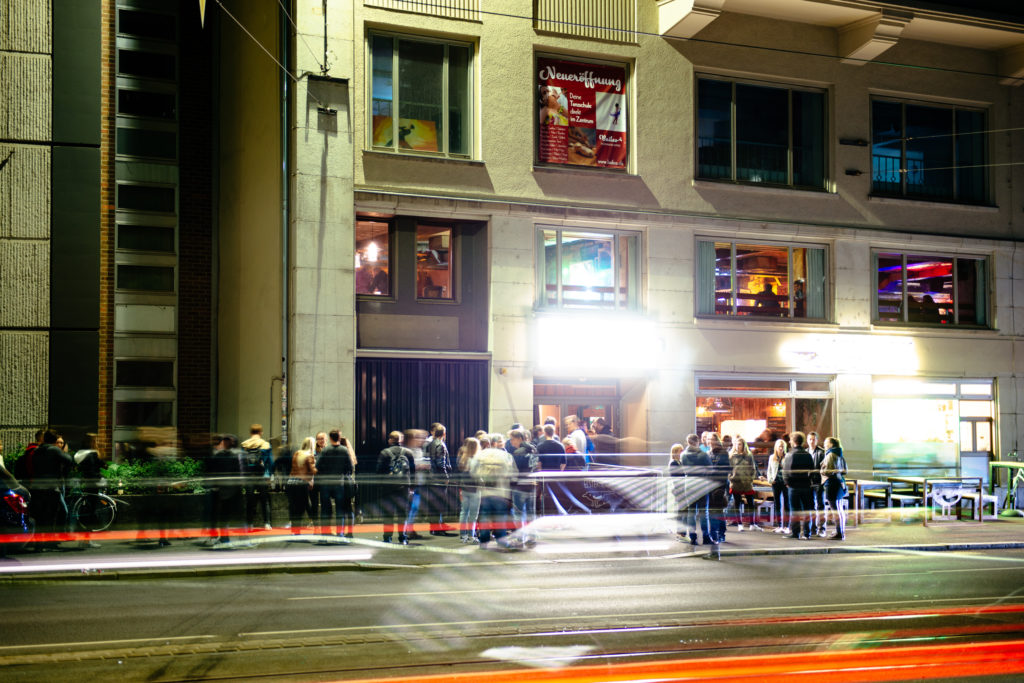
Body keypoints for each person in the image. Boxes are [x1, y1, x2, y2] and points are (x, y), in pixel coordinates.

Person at [22, 429, 73, 549]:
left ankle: (38, 543)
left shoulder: (36, 451)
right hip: (50, 488)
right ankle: (49, 541)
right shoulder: (54, 450)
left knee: (39, 516)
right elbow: (69, 461)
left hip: (37, 488)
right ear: (54, 440)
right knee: (51, 516)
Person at [470, 442, 516, 548]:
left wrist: (480, 479)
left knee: (484, 517)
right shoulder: (506, 456)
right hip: (501, 492)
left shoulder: (481, 455)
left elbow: (473, 471)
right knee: (500, 518)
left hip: (485, 493)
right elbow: (513, 473)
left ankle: (484, 541)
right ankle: (501, 540)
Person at [317, 429, 357, 540]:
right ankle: (340, 534)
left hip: (325, 483)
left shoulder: (325, 450)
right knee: (340, 509)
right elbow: (350, 467)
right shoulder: (344, 450)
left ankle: (324, 534)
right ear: (339, 438)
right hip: (339, 483)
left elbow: (318, 466)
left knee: (325, 509)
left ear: (329, 438)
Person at [376, 431, 413, 544]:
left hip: (388, 487)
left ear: (390, 440)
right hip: (404, 487)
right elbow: (413, 472)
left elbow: (379, 471)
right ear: (400, 440)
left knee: (388, 514)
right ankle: (403, 538)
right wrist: (412, 487)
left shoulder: (384, 453)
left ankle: (387, 538)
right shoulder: (408, 453)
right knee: (402, 513)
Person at [240, 424, 274, 531]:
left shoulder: (244, 445)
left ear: (251, 433)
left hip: (249, 476)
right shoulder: (265, 444)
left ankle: (249, 524)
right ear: (260, 432)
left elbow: (241, 463)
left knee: (249, 500)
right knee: (265, 500)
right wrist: (270, 475)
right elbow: (270, 462)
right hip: (262, 475)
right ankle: (267, 523)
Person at [680, 434, 713, 545]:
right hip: (702, 484)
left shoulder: (683, 455)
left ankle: (692, 537)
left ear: (688, 442)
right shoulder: (703, 455)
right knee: (704, 512)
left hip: (689, 484)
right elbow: (710, 470)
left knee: (691, 512)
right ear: (697, 442)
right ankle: (706, 537)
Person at [509, 428, 539, 546]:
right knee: (531, 513)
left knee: (518, 513)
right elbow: (537, 467)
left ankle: (520, 537)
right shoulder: (534, 450)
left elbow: (514, 472)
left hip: (520, 486)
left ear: (519, 439)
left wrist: (511, 483)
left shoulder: (517, 453)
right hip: (532, 485)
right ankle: (532, 536)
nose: (511, 442)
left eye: (512, 439)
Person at [782, 431, 815, 540]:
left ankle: (795, 532)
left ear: (793, 441)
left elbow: (786, 471)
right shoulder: (808, 454)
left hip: (794, 487)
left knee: (795, 511)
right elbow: (812, 470)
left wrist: (787, 483)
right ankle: (807, 533)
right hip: (806, 485)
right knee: (807, 510)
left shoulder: (790, 455)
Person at [425, 424, 453, 536]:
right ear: (444, 434)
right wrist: (446, 477)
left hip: (431, 477)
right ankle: (437, 529)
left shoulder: (430, 444)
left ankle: (433, 528)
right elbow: (441, 463)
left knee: (433, 504)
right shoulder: (440, 445)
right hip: (439, 479)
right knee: (439, 504)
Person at [286, 437, 317, 536]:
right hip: (301, 484)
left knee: (294, 507)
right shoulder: (310, 456)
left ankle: (294, 531)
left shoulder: (296, 453)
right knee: (302, 507)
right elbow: (313, 471)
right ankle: (314, 525)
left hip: (291, 482)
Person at [728, 437, 760, 530]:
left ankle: (752, 523)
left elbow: (753, 468)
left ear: (743, 445)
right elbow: (728, 469)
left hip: (747, 482)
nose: (738, 446)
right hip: (736, 482)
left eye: (740, 444)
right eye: (736, 444)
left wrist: (750, 478)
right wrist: (731, 478)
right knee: (737, 503)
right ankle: (739, 524)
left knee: (751, 503)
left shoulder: (749, 456)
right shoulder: (731, 456)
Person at [821, 436, 848, 540]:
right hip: (839, 483)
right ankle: (840, 531)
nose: (824, 444)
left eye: (826, 442)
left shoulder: (831, 454)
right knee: (839, 509)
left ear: (831, 444)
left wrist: (821, 470)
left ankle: (839, 533)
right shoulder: (839, 454)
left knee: (835, 509)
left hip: (832, 484)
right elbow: (845, 470)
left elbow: (828, 471)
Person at [706, 433, 731, 544]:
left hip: (719, 485)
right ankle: (717, 534)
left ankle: (720, 534)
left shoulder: (723, 453)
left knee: (717, 510)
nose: (710, 441)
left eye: (712, 439)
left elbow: (722, 469)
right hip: (710, 485)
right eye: (709, 439)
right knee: (715, 511)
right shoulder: (708, 453)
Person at [456, 437, 481, 543]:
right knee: (473, 515)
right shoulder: (476, 460)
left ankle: (463, 536)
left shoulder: (462, 459)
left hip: (464, 488)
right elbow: (476, 475)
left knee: (464, 512)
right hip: (475, 489)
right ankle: (471, 536)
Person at [766, 439, 790, 534]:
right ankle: (780, 525)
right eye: (779, 446)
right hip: (776, 483)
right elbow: (769, 470)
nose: (781, 448)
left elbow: (789, 470)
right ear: (776, 447)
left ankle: (787, 526)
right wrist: (771, 480)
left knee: (787, 504)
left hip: (785, 483)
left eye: (782, 446)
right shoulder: (772, 457)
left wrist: (789, 481)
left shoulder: (787, 457)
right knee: (777, 504)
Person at [807, 431, 826, 538]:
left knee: (820, 506)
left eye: (813, 439)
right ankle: (813, 528)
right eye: (810, 439)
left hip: (819, 482)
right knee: (811, 506)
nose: (812, 441)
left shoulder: (821, 452)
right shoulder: (805, 452)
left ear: (817, 440)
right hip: (809, 483)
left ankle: (822, 529)